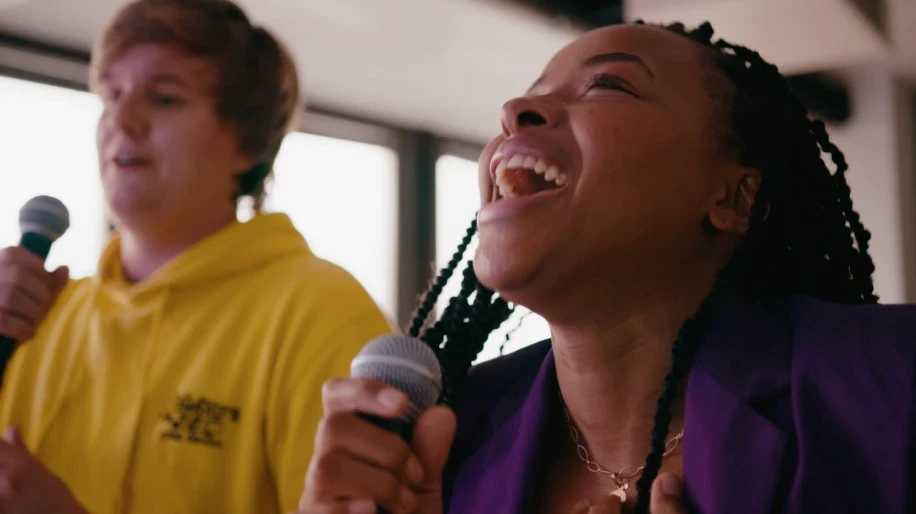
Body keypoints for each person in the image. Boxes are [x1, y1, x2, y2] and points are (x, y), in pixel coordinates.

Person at [297, 20, 916, 514]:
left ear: (732, 197)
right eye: (531, 94)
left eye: (608, 85)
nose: (516, 109)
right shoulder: (442, 445)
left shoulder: (893, 381)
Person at [0, 0, 392, 513]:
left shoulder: (323, 312)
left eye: (163, 98)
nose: (122, 118)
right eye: (111, 94)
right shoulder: (35, 317)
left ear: (247, 144)